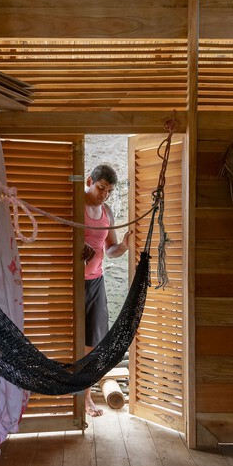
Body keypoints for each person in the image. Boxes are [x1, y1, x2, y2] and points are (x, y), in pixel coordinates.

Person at [81, 163, 131, 417]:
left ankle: (87, 399)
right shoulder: (73, 204)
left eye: (109, 191)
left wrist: (123, 245)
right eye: (101, 188)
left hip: (95, 281)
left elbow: (110, 251)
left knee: (93, 342)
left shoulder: (107, 213)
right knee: (67, 339)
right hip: (69, 283)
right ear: (90, 180)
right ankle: (64, 397)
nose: (104, 195)